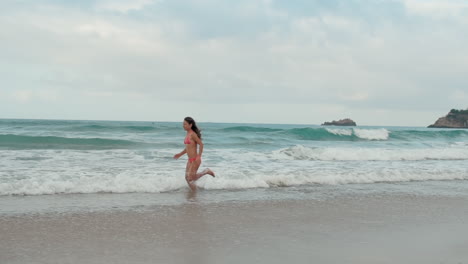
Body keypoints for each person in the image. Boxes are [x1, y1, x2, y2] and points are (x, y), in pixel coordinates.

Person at [173, 117, 215, 190]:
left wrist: (199, 156)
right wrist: (180, 154)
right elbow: (188, 148)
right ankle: (194, 191)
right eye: (183, 124)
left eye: (185, 124)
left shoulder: (193, 134)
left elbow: (201, 144)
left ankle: (206, 171)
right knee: (187, 178)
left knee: (190, 178)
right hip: (190, 160)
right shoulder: (187, 134)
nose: (183, 126)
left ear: (190, 125)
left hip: (195, 159)